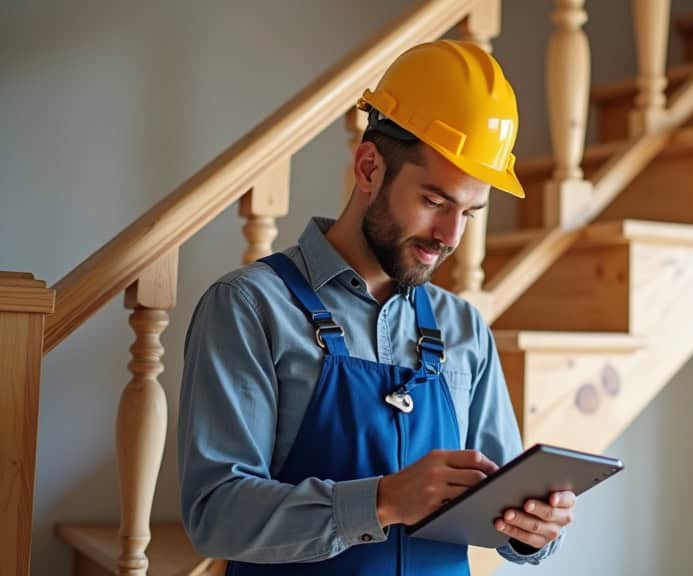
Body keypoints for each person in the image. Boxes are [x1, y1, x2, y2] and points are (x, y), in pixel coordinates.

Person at [177, 40, 574, 575]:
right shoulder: (250, 308)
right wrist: (382, 501)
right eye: (434, 202)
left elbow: (500, 510)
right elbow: (215, 516)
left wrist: (532, 531)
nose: (450, 236)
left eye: (469, 213)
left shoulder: (464, 330)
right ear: (369, 169)